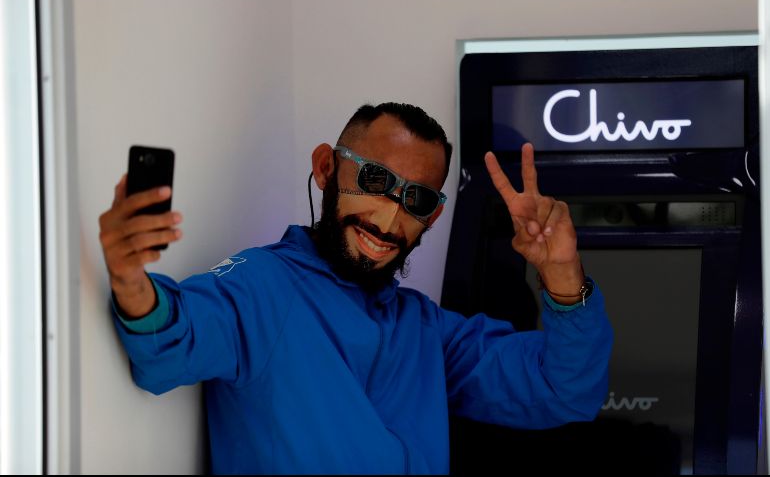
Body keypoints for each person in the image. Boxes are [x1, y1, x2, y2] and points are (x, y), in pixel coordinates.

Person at [99, 102, 613, 474]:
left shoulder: (427, 330)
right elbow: (170, 343)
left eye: (414, 199)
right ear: (326, 168)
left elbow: (563, 390)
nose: (388, 217)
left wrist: (562, 272)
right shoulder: (263, 287)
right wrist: (128, 274)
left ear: (431, 217)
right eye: (373, 181)